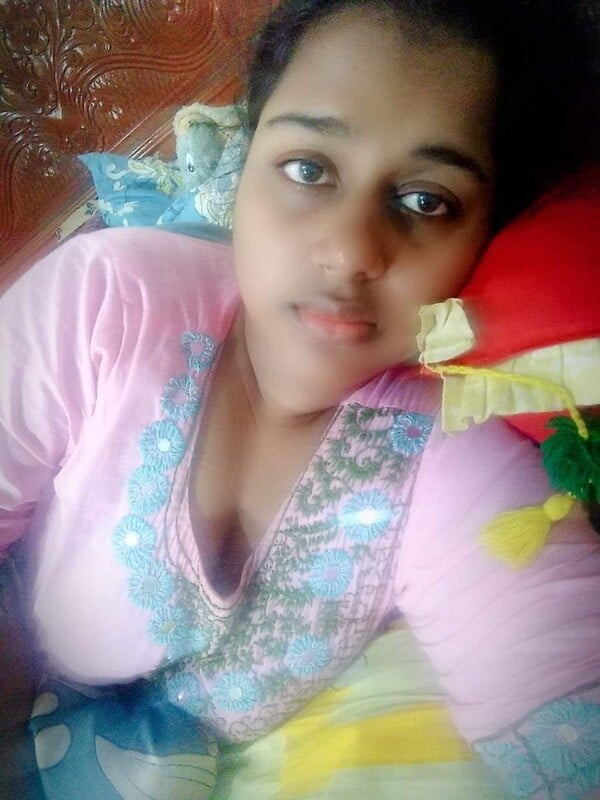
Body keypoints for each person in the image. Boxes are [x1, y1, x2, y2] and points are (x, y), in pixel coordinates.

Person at [1, 0, 599, 797]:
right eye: (309, 169)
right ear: (245, 161)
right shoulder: (105, 304)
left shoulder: (455, 462)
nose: (349, 251)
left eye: (427, 201)